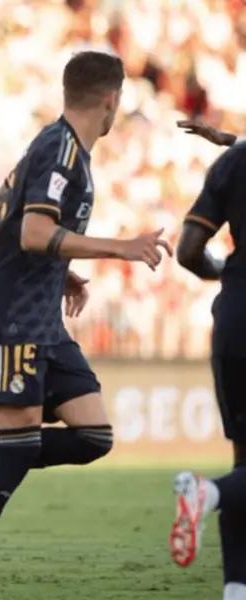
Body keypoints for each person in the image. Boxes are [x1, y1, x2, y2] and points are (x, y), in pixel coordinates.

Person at [0, 51, 172, 599]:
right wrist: (121, 249)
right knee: (19, 443)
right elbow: (31, 232)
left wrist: (66, 269)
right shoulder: (60, 148)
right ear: (112, 99)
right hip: (13, 316)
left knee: (92, 435)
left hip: (41, 317)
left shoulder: (61, 146)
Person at [171, 122, 246, 600]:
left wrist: (226, 273)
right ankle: (208, 493)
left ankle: (236, 590)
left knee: (244, 463)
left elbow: (189, 251)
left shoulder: (233, 163)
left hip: (235, 319)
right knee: (234, 479)